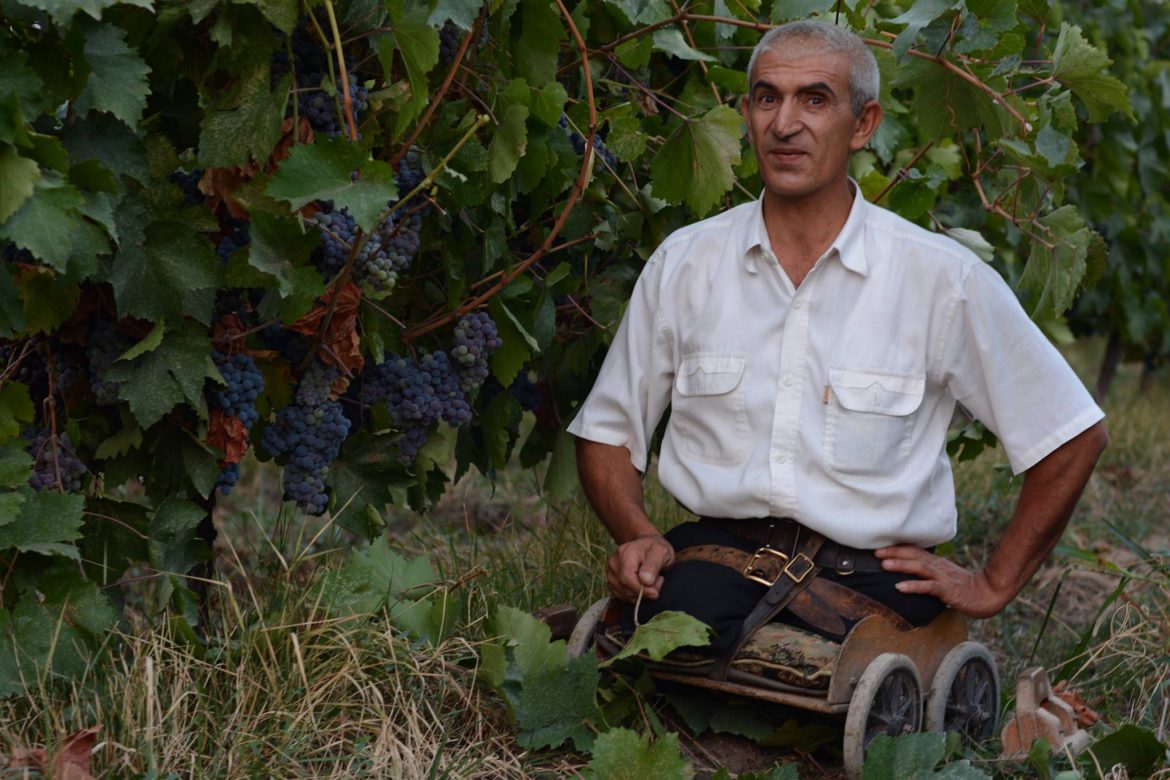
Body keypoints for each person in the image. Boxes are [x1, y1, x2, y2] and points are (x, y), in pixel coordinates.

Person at [566, 20, 1108, 658]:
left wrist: (993, 584)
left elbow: (1070, 436)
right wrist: (637, 534)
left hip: (873, 583)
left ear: (863, 124)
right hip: (712, 563)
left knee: (842, 710)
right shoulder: (684, 265)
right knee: (639, 662)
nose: (784, 123)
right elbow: (608, 431)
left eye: (814, 99)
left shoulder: (942, 279)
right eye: (768, 98)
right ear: (746, 114)